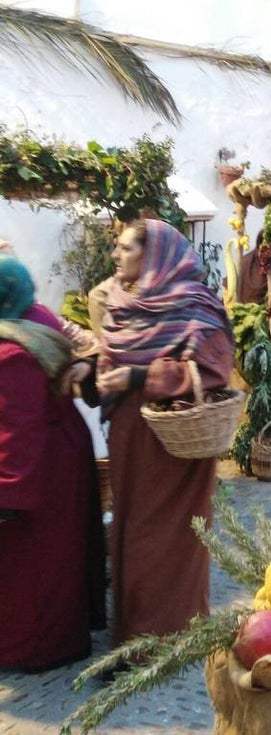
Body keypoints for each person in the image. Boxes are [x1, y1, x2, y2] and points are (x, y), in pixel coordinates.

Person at [94, 219, 235, 646]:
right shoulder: (119, 302)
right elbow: (107, 354)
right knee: (131, 529)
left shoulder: (194, 305)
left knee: (168, 537)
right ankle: (132, 630)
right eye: (116, 248)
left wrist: (138, 378)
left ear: (154, 255)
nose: (117, 256)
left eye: (126, 249)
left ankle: (167, 636)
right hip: (130, 435)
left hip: (174, 440)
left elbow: (212, 368)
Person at [0, 256, 106, 671]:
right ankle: (65, 633)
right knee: (63, 555)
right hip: (64, 451)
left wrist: (8, 492)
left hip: (38, 466)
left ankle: (38, 648)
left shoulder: (11, 349)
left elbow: (17, 428)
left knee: (35, 565)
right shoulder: (36, 314)